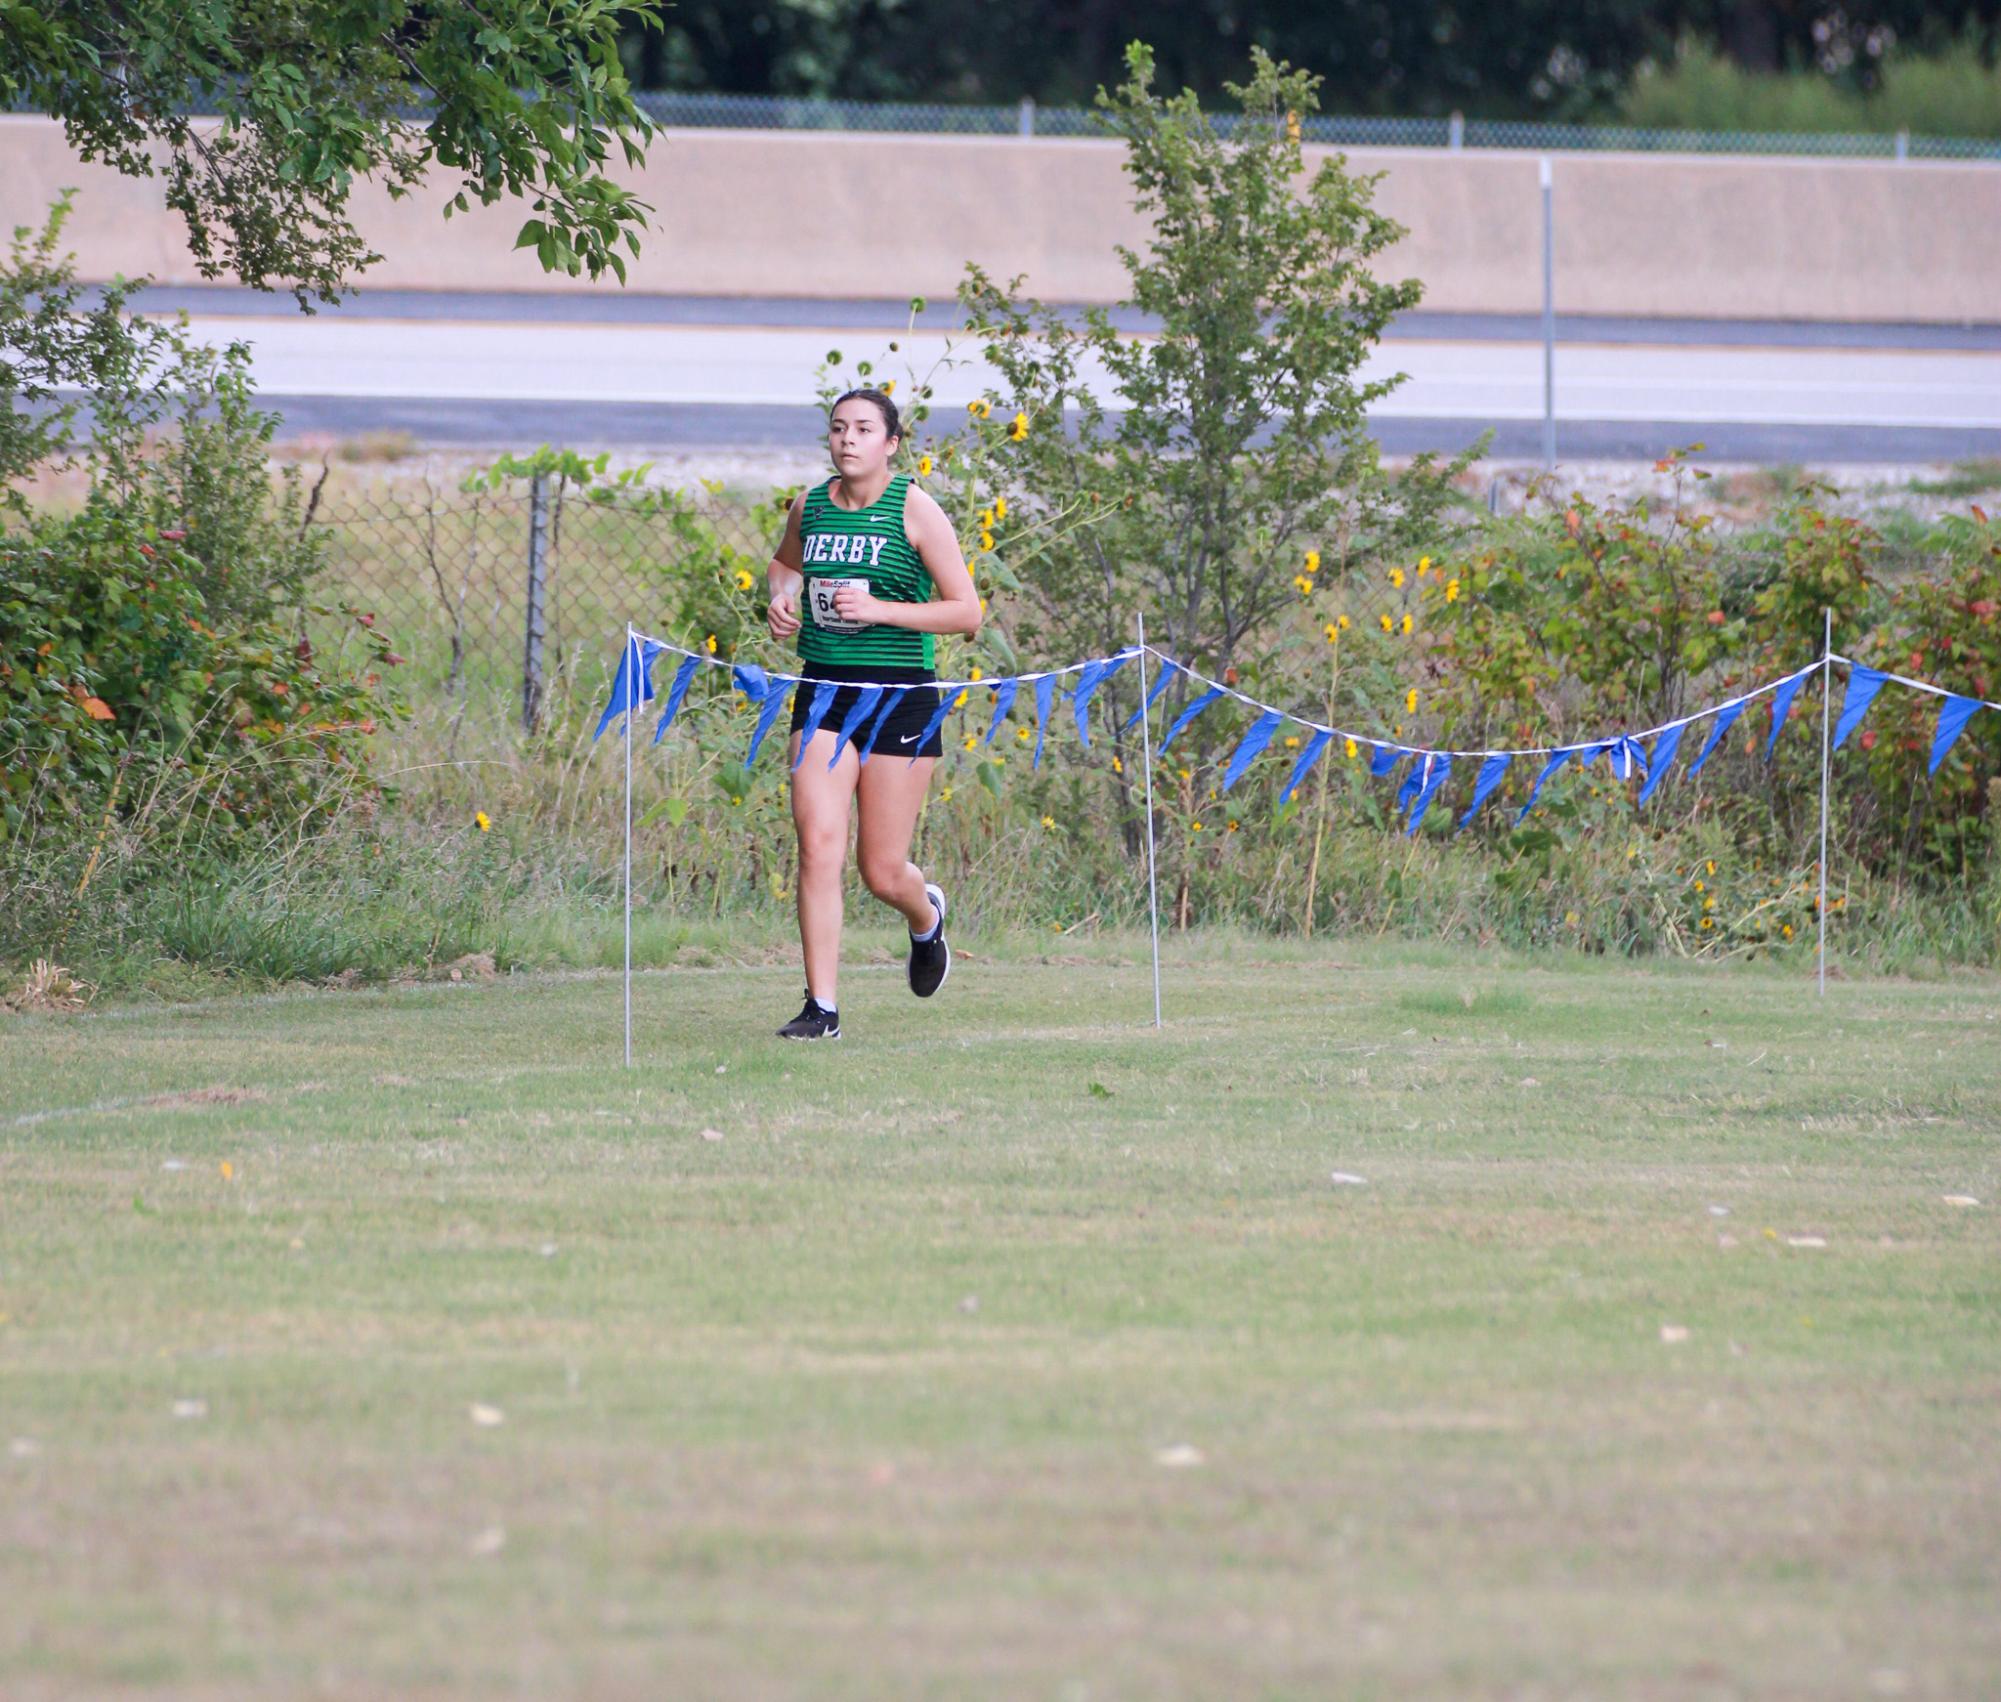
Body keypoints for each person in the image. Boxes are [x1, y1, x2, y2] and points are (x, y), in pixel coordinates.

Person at [763, 387, 982, 1040]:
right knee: (816, 847)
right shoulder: (811, 507)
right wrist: (782, 597)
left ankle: (925, 918)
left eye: (862, 429)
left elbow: (967, 613)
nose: (847, 439)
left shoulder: (913, 509)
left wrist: (881, 610)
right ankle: (821, 1009)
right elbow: (782, 564)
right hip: (824, 695)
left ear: (890, 443)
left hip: (899, 698)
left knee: (880, 870)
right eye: (837, 428)